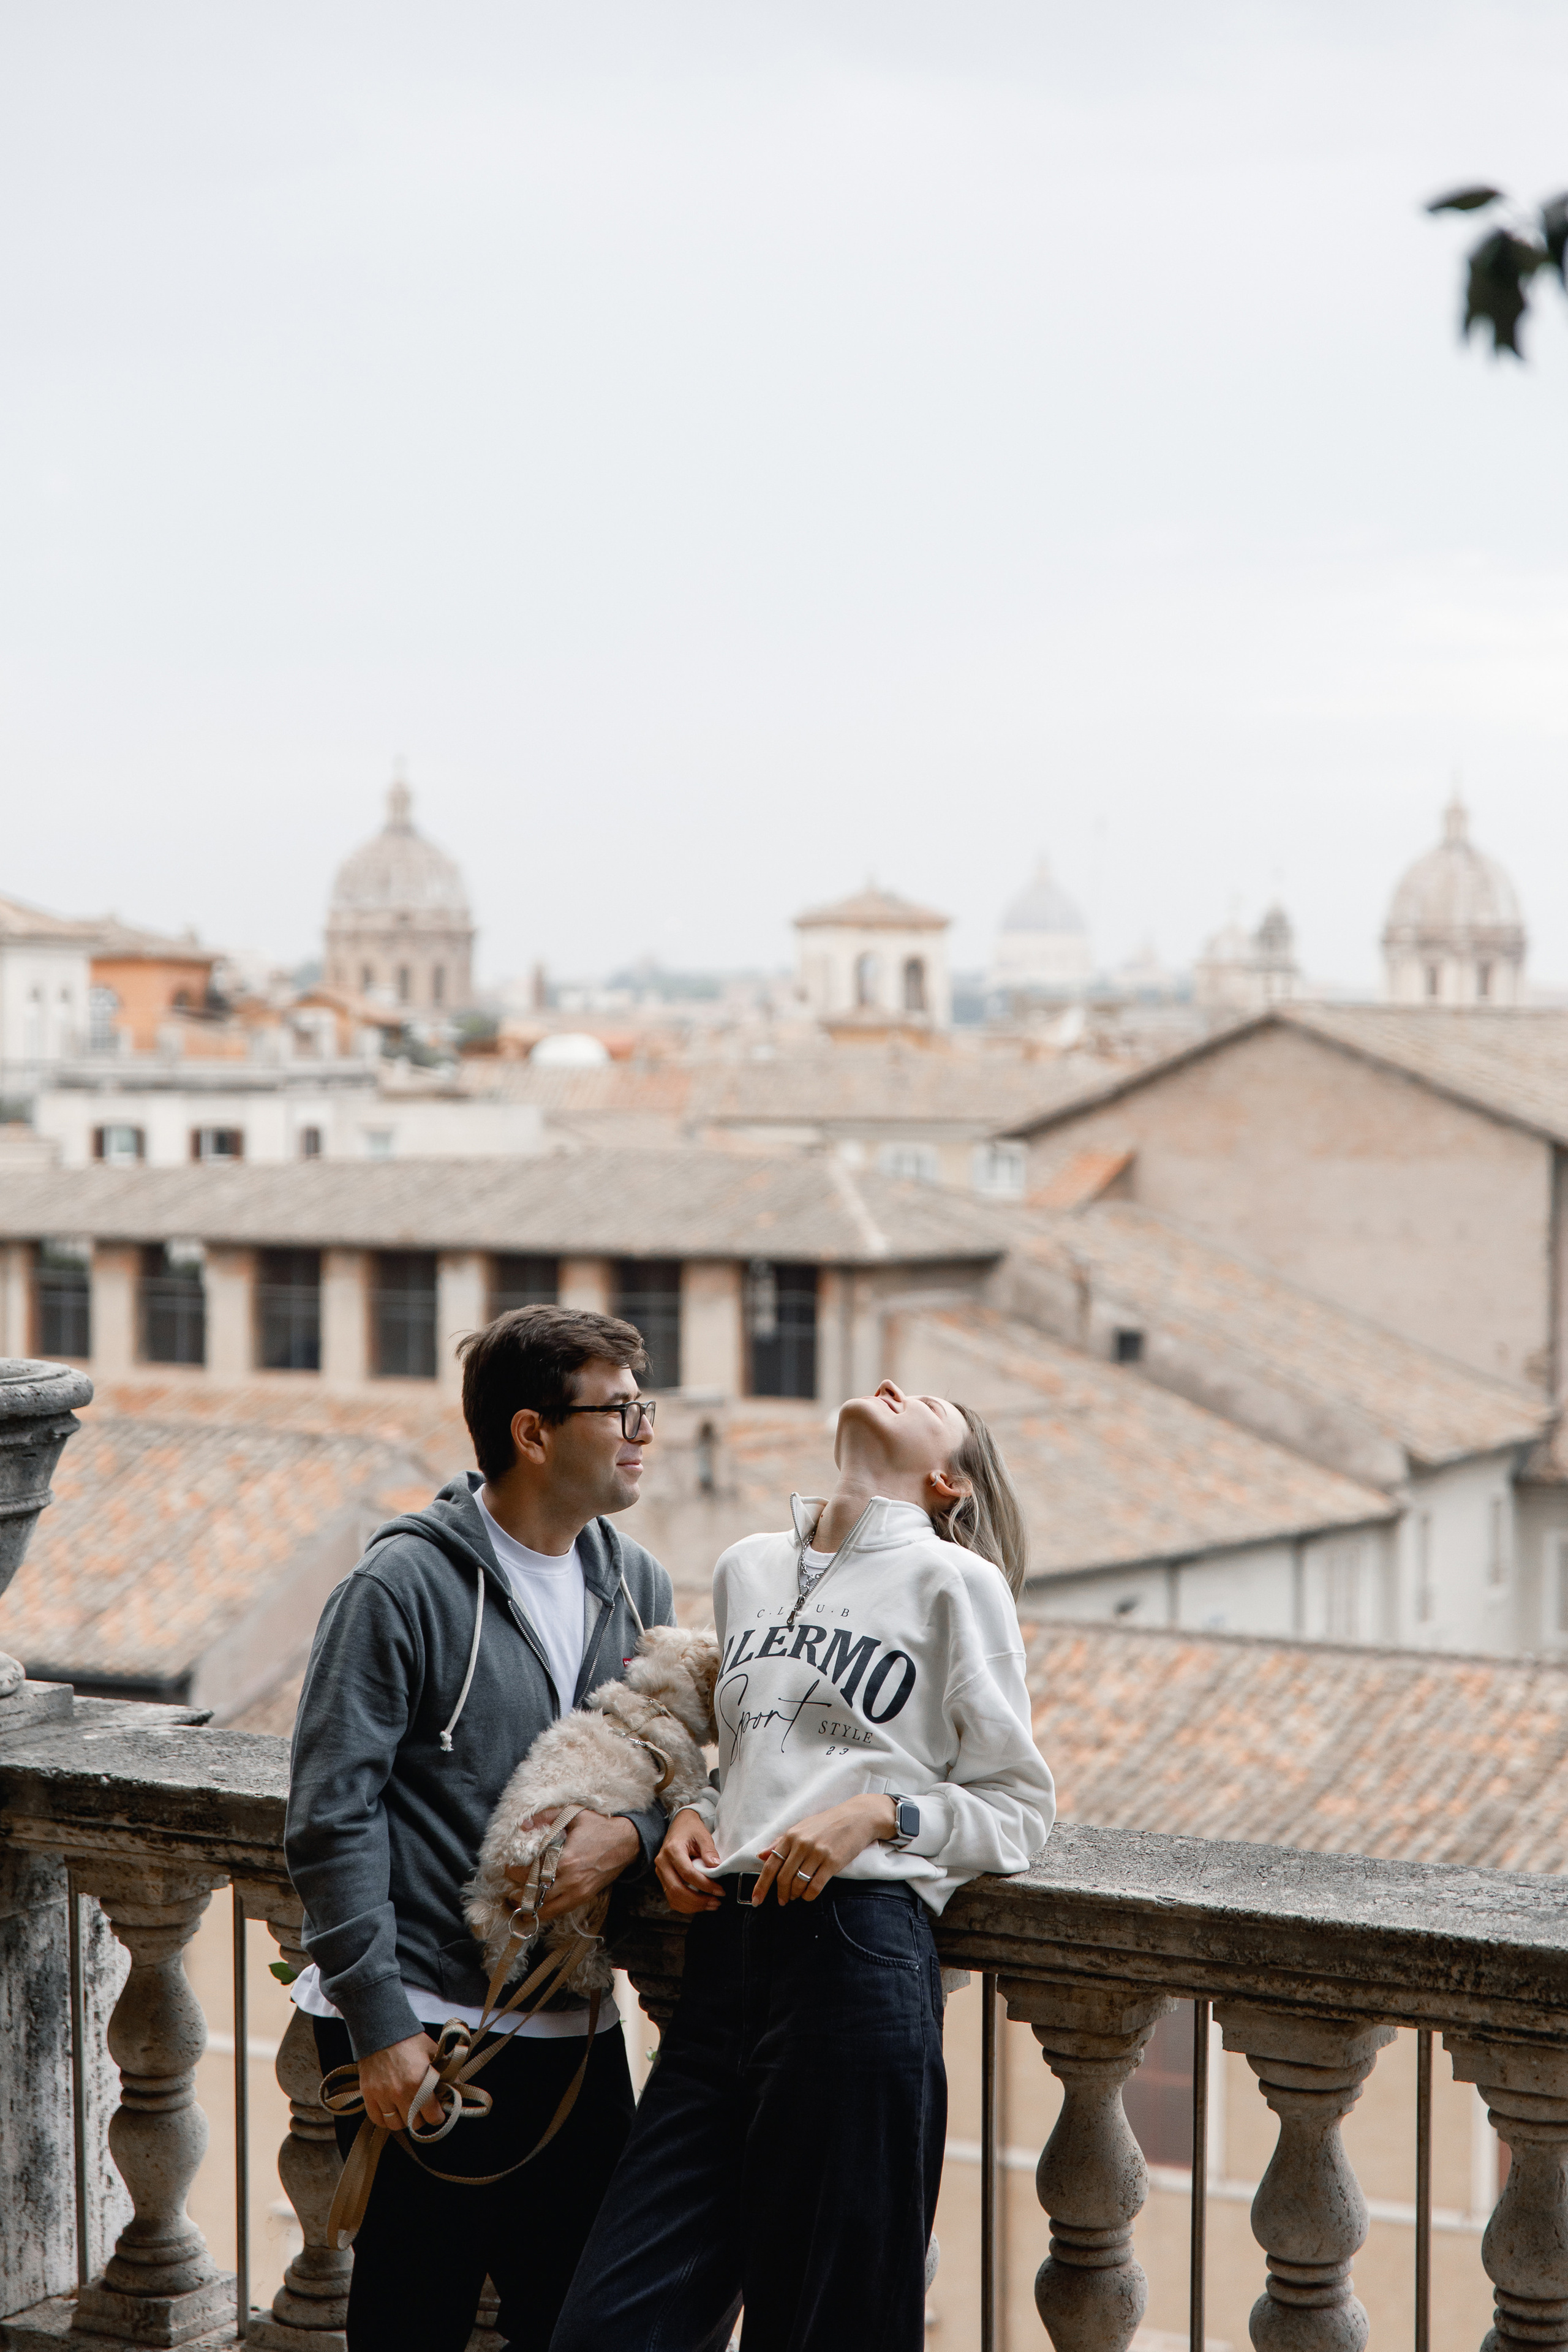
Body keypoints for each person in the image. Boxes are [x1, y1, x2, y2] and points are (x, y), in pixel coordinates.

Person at [551, 1378, 1055, 2352]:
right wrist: (695, 1813)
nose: (899, 1386)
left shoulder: (956, 1582)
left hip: (857, 1957)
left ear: (948, 1480)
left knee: (830, 2327)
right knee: (608, 2324)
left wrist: (877, 1814)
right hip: (721, 1966)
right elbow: (757, 1760)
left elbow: (1019, 1808)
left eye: (933, 1404)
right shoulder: (749, 1567)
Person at [284, 1306, 676, 2352]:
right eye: (620, 1409)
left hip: (575, 2028)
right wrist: (379, 2027)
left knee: (583, 2323)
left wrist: (635, 1839)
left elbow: (671, 1770)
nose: (645, 1430)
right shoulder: (398, 1586)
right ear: (532, 1432)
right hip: (426, 2028)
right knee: (413, 2320)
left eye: (646, 1405)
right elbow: (329, 1817)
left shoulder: (638, 1585)